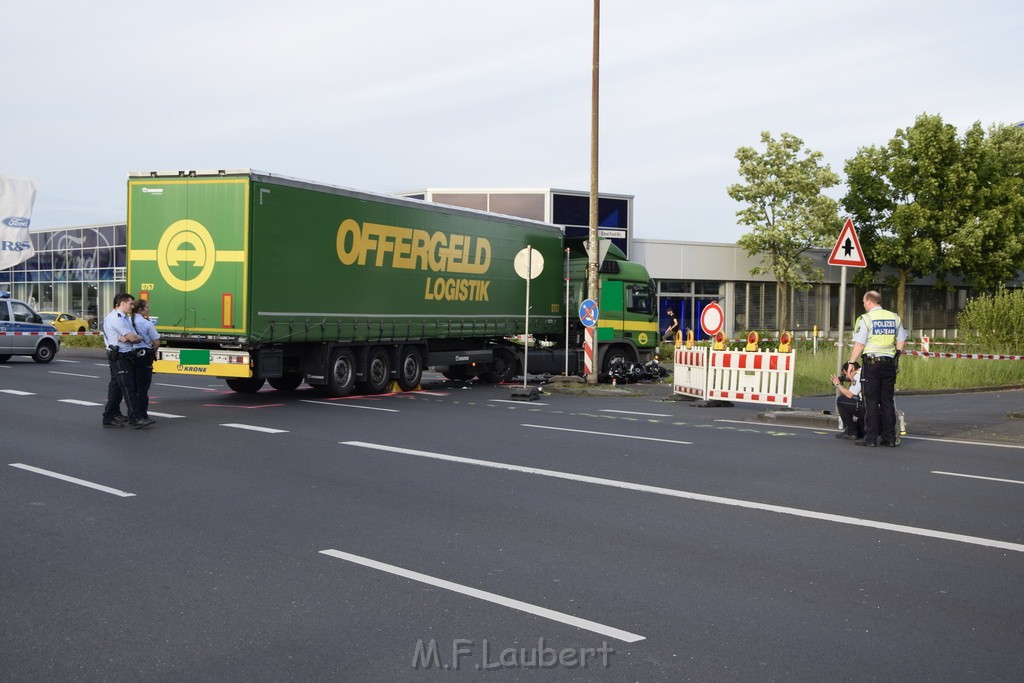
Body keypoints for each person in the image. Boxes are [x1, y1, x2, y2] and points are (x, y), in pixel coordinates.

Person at [848, 290, 907, 447]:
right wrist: (896, 356)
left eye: (863, 302)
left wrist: (851, 362)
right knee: (887, 401)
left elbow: (860, 344)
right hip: (889, 364)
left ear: (868, 302)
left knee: (871, 401)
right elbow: (901, 341)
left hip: (872, 364)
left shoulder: (867, 319)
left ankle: (871, 438)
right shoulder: (894, 317)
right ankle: (889, 438)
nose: (864, 305)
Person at [101, 293, 153, 429]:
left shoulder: (124, 318)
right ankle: (136, 418)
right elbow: (133, 337)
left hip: (124, 356)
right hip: (119, 357)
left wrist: (134, 337)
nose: (133, 306)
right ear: (122, 303)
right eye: (131, 303)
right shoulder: (116, 319)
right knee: (128, 387)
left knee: (116, 388)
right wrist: (137, 337)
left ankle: (110, 416)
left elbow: (133, 336)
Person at [130, 298, 160, 423]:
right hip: (144, 356)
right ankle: (142, 415)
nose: (148, 309)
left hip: (130, 356)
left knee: (133, 387)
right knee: (143, 388)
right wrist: (152, 351)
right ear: (140, 309)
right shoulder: (147, 323)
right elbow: (156, 342)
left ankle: (132, 414)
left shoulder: (128, 321)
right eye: (147, 307)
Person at [830, 361, 864, 440]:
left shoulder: (858, 376)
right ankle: (858, 430)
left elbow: (849, 394)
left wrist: (838, 384)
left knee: (841, 400)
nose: (846, 377)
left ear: (851, 370)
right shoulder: (864, 372)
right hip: (874, 406)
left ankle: (851, 432)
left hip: (866, 407)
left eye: (846, 374)